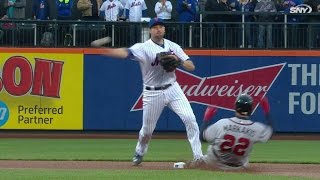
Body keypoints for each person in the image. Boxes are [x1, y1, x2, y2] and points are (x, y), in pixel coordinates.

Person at [97, 17, 203, 165]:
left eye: (161, 26)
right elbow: (126, 53)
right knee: (147, 130)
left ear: (164, 29)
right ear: (150, 30)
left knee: (190, 119)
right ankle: (139, 152)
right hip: (152, 92)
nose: (158, 29)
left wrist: (178, 61)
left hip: (173, 88)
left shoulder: (174, 46)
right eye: (155, 27)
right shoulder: (143, 47)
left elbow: (191, 66)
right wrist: (108, 51)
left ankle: (198, 157)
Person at [185, 94, 273, 170]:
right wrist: (267, 110)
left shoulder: (222, 123)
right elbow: (270, 132)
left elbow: (202, 138)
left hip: (213, 163)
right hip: (238, 168)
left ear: (236, 107)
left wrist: (206, 118)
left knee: (193, 163)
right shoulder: (256, 128)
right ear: (250, 109)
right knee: (245, 160)